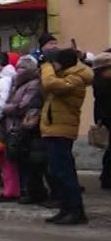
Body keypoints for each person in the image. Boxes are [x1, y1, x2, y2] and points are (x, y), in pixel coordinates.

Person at [40, 47, 93, 225]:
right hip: (54, 129)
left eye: (54, 63)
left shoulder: (76, 79)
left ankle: (76, 211)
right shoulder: (65, 76)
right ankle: (66, 208)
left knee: (65, 172)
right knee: (57, 172)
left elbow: (50, 84)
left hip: (62, 131)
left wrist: (47, 66)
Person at [2, 55, 47, 204]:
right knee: (19, 160)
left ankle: (33, 192)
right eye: (18, 67)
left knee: (30, 161)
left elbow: (23, 106)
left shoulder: (33, 84)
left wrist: (6, 108)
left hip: (26, 127)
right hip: (14, 126)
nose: (19, 71)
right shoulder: (17, 84)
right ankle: (25, 190)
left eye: (23, 68)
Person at [0, 52, 20, 199]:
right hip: (3, 121)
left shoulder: (3, 80)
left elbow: (0, 102)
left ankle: (11, 190)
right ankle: (11, 188)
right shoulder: (6, 78)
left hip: (2, 122)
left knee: (6, 157)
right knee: (6, 157)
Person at [90, 52, 111, 190]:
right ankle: (107, 178)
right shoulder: (105, 82)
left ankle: (106, 177)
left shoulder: (99, 80)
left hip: (104, 117)